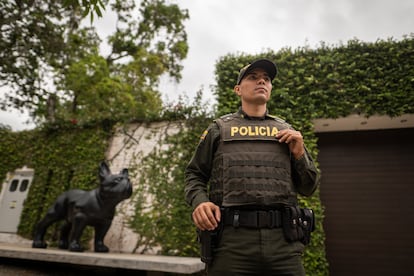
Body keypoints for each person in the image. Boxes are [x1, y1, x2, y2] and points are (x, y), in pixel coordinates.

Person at [184, 58, 319, 275]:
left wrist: (300, 154)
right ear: (238, 89)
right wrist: (200, 202)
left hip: (283, 244)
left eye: (266, 79)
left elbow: (309, 187)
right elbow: (194, 174)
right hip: (232, 244)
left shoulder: (287, 132)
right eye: (253, 77)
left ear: (271, 88)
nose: (261, 82)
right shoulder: (219, 129)